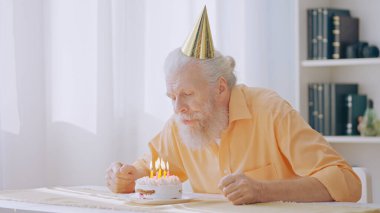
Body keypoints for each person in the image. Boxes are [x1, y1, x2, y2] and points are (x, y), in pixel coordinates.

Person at [106, 7, 361, 205]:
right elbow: (140, 175)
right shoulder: (179, 126)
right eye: (171, 97)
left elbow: (347, 182)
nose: (178, 108)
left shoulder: (270, 110)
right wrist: (124, 177)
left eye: (187, 94)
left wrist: (262, 190)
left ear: (220, 88)